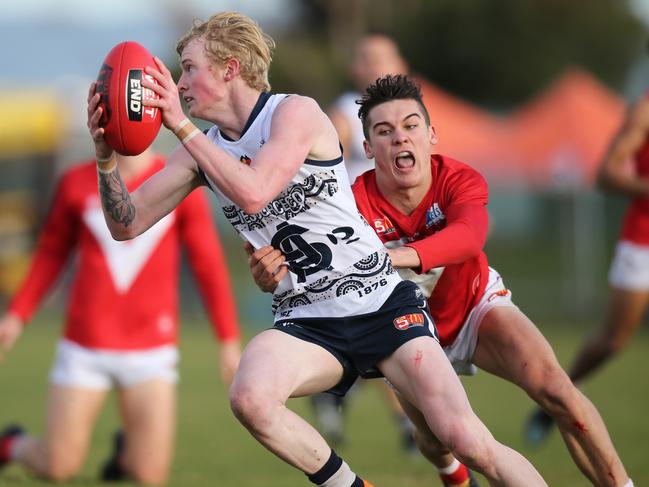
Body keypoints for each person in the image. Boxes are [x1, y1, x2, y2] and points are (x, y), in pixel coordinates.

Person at [86, 11, 547, 487]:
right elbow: (127, 223)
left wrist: (180, 127)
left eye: (189, 67)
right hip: (307, 319)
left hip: (379, 302)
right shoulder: (200, 149)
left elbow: (255, 190)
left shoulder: (294, 113)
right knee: (250, 398)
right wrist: (105, 159)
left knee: (467, 441)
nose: (179, 84)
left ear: (229, 68)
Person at [247, 74, 634, 487]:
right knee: (436, 444)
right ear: (365, 148)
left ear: (431, 134)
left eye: (411, 126)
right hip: (397, 333)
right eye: (384, 131)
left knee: (557, 390)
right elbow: (296, 264)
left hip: (473, 309)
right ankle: (454, 476)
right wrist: (268, 274)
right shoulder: (348, 204)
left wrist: (394, 256)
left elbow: (469, 238)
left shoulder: (459, 179)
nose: (400, 138)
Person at [0, 150, 242, 485]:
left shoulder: (178, 181)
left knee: (150, 475)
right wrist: (16, 316)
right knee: (57, 465)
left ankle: (125, 453)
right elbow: (51, 254)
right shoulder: (75, 182)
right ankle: (10, 444)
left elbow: (208, 263)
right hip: (85, 345)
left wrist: (227, 338)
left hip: (151, 349)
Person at [525, 91, 649, 445]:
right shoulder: (644, 111)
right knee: (613, 341)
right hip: (643, 240)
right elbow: (606, 174)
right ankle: (559, 396)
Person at [313, 32, 415, 454]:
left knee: (395, 332)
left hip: (402, 234)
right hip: (360, 238)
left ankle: (336, 388)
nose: (375, 67)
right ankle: (409, 424)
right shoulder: (343, 113)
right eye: (367, 59)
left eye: (383, 59)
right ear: (356, 69)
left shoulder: (411, 115)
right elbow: (317, 171)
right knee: (392, 328)